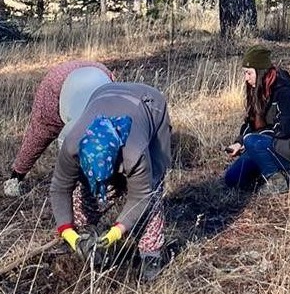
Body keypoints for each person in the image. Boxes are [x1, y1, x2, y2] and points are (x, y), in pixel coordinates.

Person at [50, 82, 171, 281]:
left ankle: (151, 253)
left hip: (148, 104)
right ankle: (85, 235)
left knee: (153, 186)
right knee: (87, 188)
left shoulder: (135, 154)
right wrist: (69, 233)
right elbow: (60, 189)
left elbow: (141, 196)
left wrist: (116, 232)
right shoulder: (72, 145)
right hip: (103, 95)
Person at [3, 60, 114, 197]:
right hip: (57, 84)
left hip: (99, 74)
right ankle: (15, 178)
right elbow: (65, 149)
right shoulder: (72, 130)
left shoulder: (113, 117)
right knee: (39, 135)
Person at [223, 45, 290, 195]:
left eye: (249, 73)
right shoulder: (257, 89)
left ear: (261, 72)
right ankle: (265, 169)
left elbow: (284, 130)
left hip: (289, 148)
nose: (246, 78)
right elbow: (250, 122)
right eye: (245, 73)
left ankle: (278, 180)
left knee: (251, 141)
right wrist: (239, 142)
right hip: (263, 145)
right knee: (232, 179)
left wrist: (250, 141)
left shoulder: (285, 90)